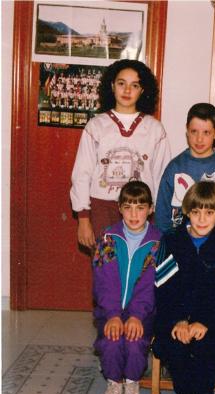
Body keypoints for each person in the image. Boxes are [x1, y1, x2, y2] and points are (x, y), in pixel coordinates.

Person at [153, 181, 215, 394]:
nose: (202, 219)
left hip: (210, 315)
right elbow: (164, 287)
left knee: (208, 344)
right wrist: (178, 320)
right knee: (174, 342)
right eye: (196, 212)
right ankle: (184, 391)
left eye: (209, 212)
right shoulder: (172, 239)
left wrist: (205, 322)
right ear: (187, 212)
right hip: (177, 313)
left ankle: (204, 392)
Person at [70, 59, 172, 251]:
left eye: (135, 85)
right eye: (121, 83)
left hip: (141, 210)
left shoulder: (154, 129)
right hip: (103, 208)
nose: (127, 90)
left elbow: (162, 177)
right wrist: (83, 219)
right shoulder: (96, 126)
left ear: (142, 90)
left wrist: (160, 218)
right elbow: (82, 174)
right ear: (112, 85)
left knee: (141, 265)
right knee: (106, 264)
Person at [93, 181, 161, 394]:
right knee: (111, 340)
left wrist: (136, 316)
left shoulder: (158, 242)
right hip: (109, 309)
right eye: (128, 207)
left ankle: (132, 383)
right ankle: (114, 383)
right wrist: (112, 314)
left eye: (140, 208)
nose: (134, 214)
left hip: (144, 312)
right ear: (119, 208)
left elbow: (150, 285)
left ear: (150, 209)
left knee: (134, 340)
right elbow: (104, 282)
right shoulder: (107, 238)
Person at [155, 102, 215, 238]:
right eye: (194, 131)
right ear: (187, 130)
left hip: (214, 244)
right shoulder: (174, 168)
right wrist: (166, 244)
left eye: (206, 132)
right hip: (178, 243)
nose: (199, 139)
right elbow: (161, 216)